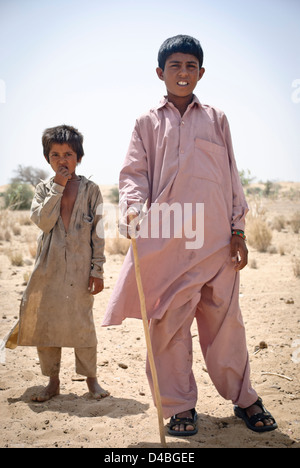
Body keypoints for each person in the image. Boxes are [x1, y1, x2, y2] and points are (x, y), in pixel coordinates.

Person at [102, 35, 277, 435]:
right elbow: (134, 174)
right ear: (160, 73)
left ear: (201, 73)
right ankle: (179, 406)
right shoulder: (146, 122)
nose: (183, 73)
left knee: (226, 325)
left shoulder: (217, 119)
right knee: (167, 326)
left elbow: (231, 176)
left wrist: (238, 229)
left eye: (191, 66)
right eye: (175, 66)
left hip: (215, 242)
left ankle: (245, 398)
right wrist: (132, 206)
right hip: (165, 242)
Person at [18, 124, 109, 402]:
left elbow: (99, 234)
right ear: (48, 158)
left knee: (83, 322)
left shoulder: (91, 191)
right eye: (55, 155)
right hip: (49, 269)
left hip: (82, 269)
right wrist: (57, 187)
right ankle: (53, 381)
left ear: (79, 157)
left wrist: (97, 270)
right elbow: (43, 222)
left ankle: (92, 380)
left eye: (68, 154)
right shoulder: (43, 189)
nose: (62, 160)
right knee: (48, 324)